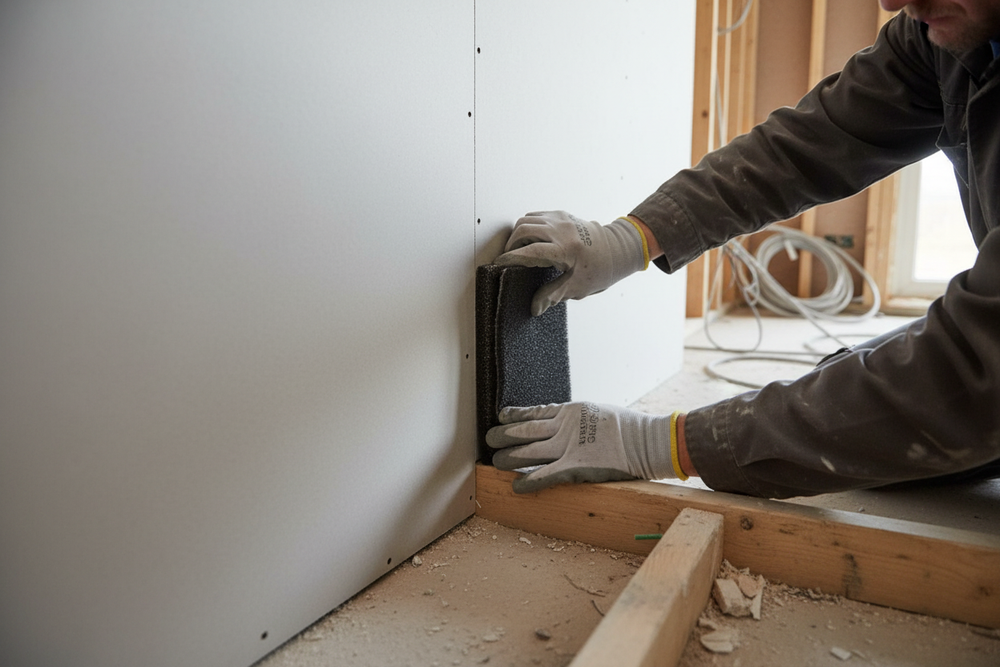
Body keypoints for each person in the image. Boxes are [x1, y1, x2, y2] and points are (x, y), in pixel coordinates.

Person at [485, 0, 1000, 498]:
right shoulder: (943, 33)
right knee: (843, 394)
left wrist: (661, 445)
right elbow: (809, 144)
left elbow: (977, 371)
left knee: (893, 416)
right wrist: (632, 238)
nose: (893, 2)